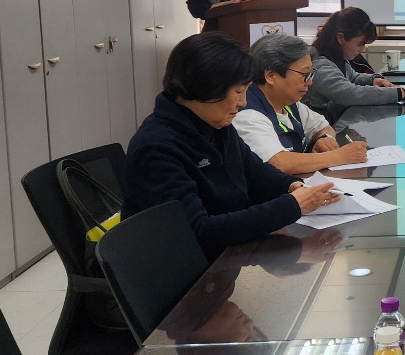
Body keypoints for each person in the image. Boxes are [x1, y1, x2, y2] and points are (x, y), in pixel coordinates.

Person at [123, 33, 339, 259]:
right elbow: (196, 232)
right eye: (238, 91)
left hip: (233, 252)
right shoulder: (157, 148)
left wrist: (291, 187)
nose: (243, 102)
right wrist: (291, 206)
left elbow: (255, 173)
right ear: (208, 87)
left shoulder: (215, 124)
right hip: (193, 269)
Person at [234, 33, 371, 174]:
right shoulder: (246, 114)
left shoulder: (287, 103)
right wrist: (339, 156)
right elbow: (278, 163)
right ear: (271, 75)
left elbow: (323, 127)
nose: (309, 82)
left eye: (311, 74)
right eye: (304, 74)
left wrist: (325, 139)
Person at [304, 7, 405, 116]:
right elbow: (350, 94)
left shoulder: (338, 59)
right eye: (360, 44)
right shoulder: (320, 66)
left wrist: (373, 80)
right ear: (341, 38)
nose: (362, 49)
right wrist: (402, 93)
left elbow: (353, 77)